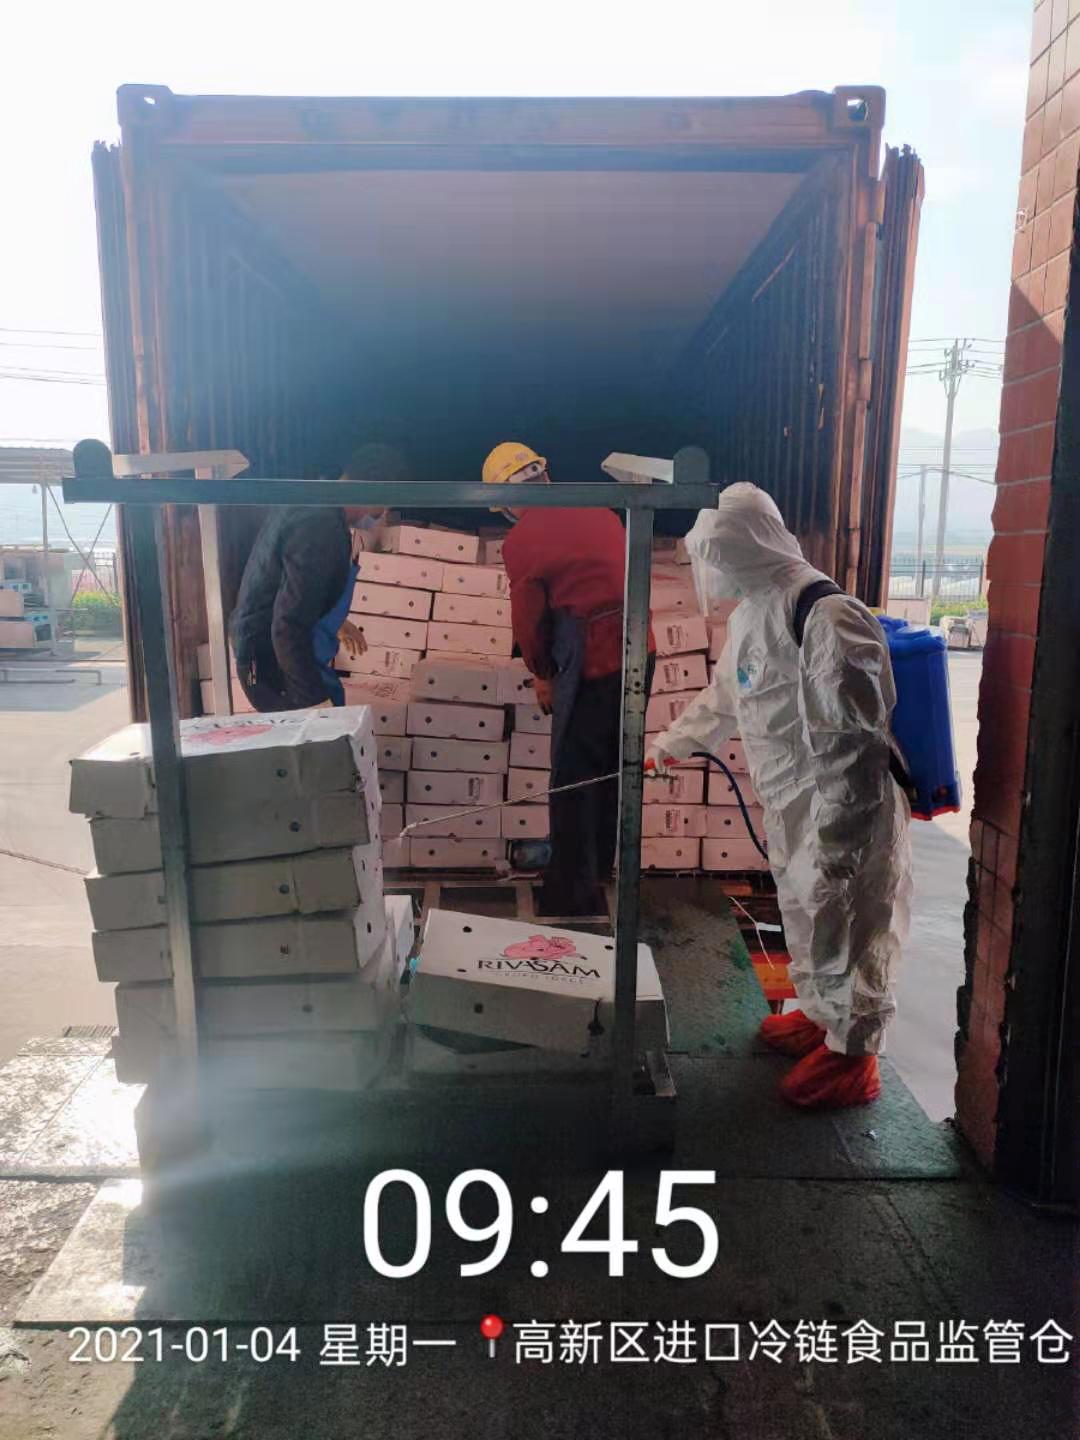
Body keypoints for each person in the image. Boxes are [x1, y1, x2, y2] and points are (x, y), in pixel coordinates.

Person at [647, 483, 912, 1110]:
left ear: (749, 545)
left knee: (852, 920)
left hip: (843, 806)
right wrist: (671, 744)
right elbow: (726, 696)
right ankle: (822, 1018)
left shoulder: (830, 616)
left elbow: (853, 743)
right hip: (790, 801)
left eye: (720, 557)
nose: (715, 574)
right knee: (805, 913)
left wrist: (840, 842)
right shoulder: (752, 614)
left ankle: (856, 1053)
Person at [482, 441, 655, 916]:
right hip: (641, 649)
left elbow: (528, 618)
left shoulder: (523, 540)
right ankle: (601, 870)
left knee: (573, 780)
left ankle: (571, 896)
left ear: (506, 499)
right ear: (544, 476)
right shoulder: (597, 508)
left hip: (593, 658)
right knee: (615, 770)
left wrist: (541, 672)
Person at [229, 444, 409, 711]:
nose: (382, 514)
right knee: (322, 733)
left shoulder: (316, 502)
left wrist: (336, 622)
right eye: (384, 505)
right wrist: (315, 702)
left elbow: (293, 586)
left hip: (279, 653)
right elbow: (287, 626)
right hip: (273, 664)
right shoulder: (319, 525)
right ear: (376, 492)